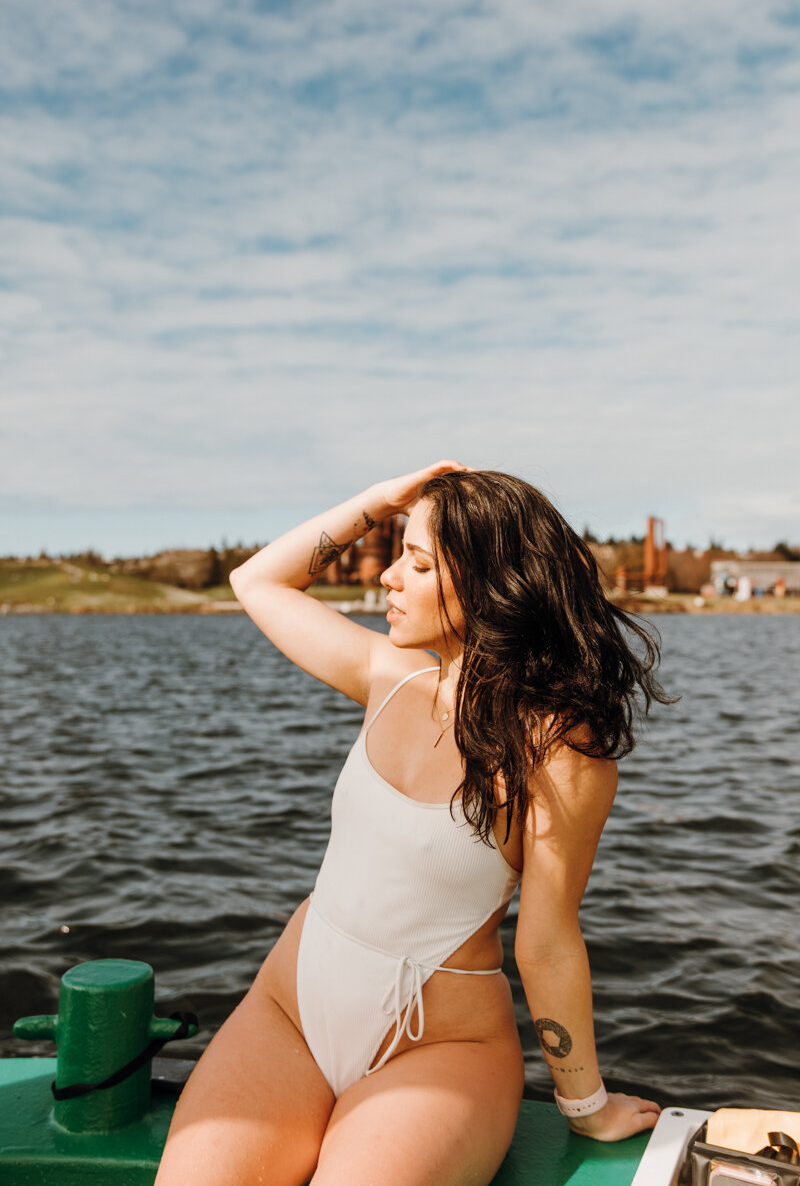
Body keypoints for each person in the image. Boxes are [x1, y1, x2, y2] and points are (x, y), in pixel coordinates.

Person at [155, 462, 665, 1186]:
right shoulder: (387, 676)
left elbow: (548, 945)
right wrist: (382, 500)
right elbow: (256, 581)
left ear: (493, 583)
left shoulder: (560, 751)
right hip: (288, 1016)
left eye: (418, 561)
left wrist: (585, 1104)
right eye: (397, 552)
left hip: (439, 1050)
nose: (390, 578)